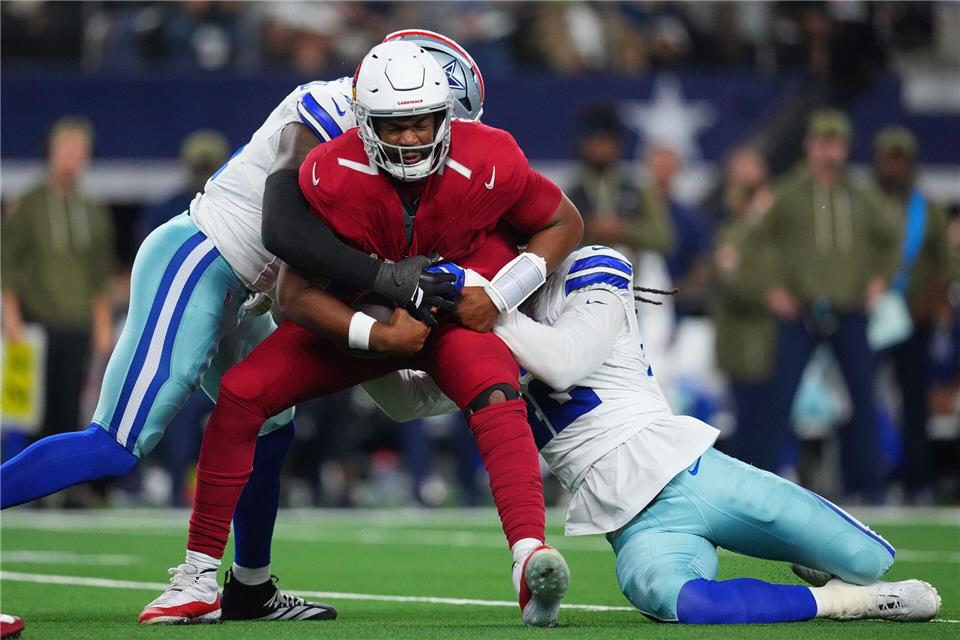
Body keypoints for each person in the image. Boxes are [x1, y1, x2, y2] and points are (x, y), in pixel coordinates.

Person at [1, 31, 484, 624]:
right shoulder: (327, 109)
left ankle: (250, 586)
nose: (421, 141)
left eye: (432, 124)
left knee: (269, 421)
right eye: (414, 120)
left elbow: (326, 280)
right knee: (115, 446)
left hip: (248, 294)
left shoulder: (389, 157)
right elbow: (282, 229)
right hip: (200, 259)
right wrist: (388, 282)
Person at [142, 39, 583, 628]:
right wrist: (377, 338)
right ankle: (197, 577)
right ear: (364, 122)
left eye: (422, 122)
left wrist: (502, 294)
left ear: (447, 116)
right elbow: (292, 294)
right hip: (359, 318)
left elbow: (564, 220)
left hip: (452, 317)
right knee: (242, 394)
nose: (409, 139)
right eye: (393, 126)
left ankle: (529, 560)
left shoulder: (490, 155)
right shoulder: (330, 169)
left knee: (497, 391)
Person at [366, 244, 942, 625]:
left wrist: (491, 309)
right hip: (630, 522)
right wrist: (364, 340)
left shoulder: (590, 269)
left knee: (867, 558)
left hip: (691, 473)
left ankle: (837, 567)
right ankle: (844, 600)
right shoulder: (481, 339)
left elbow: (564, 361)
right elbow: (408, 400)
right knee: (683, 605)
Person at [759, 109, 899, 502]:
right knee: (781, 396)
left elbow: (891, 237)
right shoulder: (787, 192)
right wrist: (771, 287)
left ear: (846, 147)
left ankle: (870, 487)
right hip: (799, 311)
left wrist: (879, 279)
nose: (830, 152)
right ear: (809, 146)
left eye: (836, 144)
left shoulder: (861, 194)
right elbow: (756, 239)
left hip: (850, 308)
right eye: (823, 143)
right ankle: (769, 485)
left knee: (862, 397)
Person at [1, 117, 115, 456]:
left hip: (77, 323)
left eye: (79, 151)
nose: (71, 157)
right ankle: (25, 482)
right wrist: (10, 314)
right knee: (30, 410)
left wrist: (103, 322)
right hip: (36, 321)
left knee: (71, 408)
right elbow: (8, 262)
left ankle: (62, 485)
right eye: (65, 149)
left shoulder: (93, 209)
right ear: (51, 152)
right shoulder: (29, 202)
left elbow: (99, 271)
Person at [869, 125, 950, 501]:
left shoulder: (927, 208)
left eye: (901, 159)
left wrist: (930, 304)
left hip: (916, 318)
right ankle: (868, 481)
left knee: (915, 403)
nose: (895, 166)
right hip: (870, 314)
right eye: (889, 158)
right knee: (862, 400)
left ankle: (917, 483)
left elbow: (945, 264)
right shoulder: (864, 202)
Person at [710, 146, 780, 471]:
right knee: (748, 413)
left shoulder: (772, 235)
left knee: (769, 413)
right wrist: (769, 295)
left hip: (770, 336)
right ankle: (747, 475)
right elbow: (733, 280)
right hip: (741, 337)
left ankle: (768, 473)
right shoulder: (733, 233)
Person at [566, 105, 673, 256]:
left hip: (633, 267)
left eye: (605, 140)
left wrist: (624, 230)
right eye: (594, 141)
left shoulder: (637, 186)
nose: (599, 147)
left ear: (617, 144)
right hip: (584, 267)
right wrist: (588, 228)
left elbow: (663, 237)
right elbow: (558, 234)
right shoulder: (571, 190)